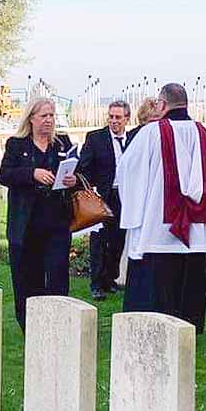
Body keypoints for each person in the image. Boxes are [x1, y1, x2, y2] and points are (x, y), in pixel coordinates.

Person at [118, 82, 206, 334]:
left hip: (158, 228)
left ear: (162, 104)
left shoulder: (150, 132)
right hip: (197, 231)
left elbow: (127, 172)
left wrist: (135, 210)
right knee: (188, 292)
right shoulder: (204, 134)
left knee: (156, 297)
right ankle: (190, 328)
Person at [0, 97, 77, 331]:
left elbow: (75, 170)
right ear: (31, 119)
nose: (49, 120)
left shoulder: (62, 143)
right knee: (27, 278)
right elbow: (4, 175)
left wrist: (71, 179)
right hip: (27, 224)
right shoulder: (17, 144)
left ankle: (59, 324)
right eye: (44, 116)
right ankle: (30, 326)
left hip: (56, 222)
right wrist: (32, 173)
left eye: (52, 115)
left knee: (57, 275)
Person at [78, 100, 131, 299]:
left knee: (118, 240)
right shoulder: (96, 138)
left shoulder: (132, 139)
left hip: (124, 196)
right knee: (99, 241)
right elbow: (84, 167)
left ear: (127, 119)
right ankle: (96, 284)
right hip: (102, 195)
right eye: (111, 116)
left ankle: (111, 279)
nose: (114, 121)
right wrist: (92, 189)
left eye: (118, 117)